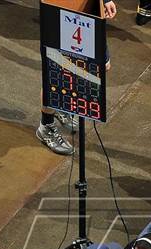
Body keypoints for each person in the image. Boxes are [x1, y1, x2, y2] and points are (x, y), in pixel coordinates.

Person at [36, 0, 117, 154]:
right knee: (56, 67)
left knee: (95, 65)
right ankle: (46, 126)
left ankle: (59, 104)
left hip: (83, 9)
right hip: (58, 8)